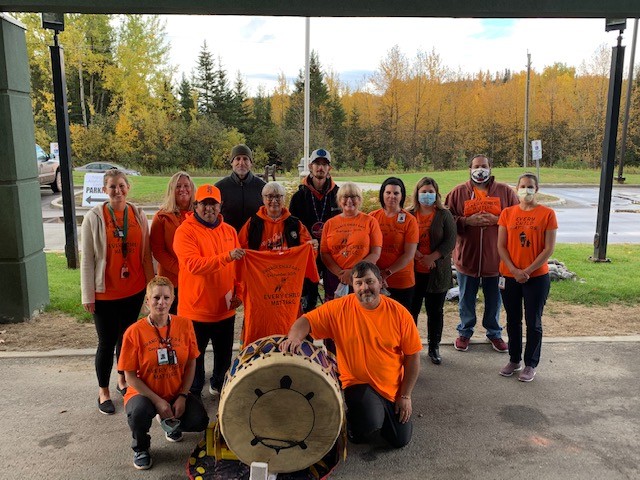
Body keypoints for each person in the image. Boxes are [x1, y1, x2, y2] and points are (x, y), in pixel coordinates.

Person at [280, 261, 422, 448]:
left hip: (392, 388)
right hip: (357, 383)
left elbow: (413, 357)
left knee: (399, 440)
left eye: (370, 282)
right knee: (369, 425)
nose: (365, 288)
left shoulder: (400, 313)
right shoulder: (339, 308)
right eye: (359, 283)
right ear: (352, 286)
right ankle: (355, 423)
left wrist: (405, 396)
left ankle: (378, 415)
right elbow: (304, 321)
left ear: (380, 282)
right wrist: (294, 338)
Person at [81, 169, 154, 415]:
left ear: (128, 188)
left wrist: (150, 287)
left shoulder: (138, 214)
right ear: (104, 190)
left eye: (121, 185)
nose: (117, 191)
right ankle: (103, 391)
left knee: (126, 340)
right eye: (112, 186)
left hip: (133, 290)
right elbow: (87, 260)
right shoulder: (94, 217)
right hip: (104, 294)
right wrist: (87, 294)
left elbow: (145, 255)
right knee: (106, 341)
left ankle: (122, 379)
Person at [118, 276, 209, 470]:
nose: (161, 302)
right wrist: (158, 401)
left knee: (199, 420)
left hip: (175, 390)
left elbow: (192, 362)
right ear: (147, 300)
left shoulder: (184, 325)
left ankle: (171, 422)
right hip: (144, 393)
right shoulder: (134, 332)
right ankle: (141, 448)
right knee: (139, 414)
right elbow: (130, 377)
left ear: (173, 298)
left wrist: (183, 395)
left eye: (166, 297)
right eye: (156, 297)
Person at [173, 184, 245, 398]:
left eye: (213, 204)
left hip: (224, 308)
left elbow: (239, 267)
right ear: (195, 205)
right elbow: (194, 265)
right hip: (196, 311)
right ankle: (193, 395)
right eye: (204, 204)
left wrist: (239, 292)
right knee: (195, 358)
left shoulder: (230, 231)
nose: (209, 209)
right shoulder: (185, 231)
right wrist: (227, 256)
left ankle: (218, 385)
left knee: (223, 357)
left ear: (220, 205)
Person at [445, 154, 519, 353]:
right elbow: (446, 219)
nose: (480, 170)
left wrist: (497, 220)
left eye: (484, 166)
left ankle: (494, 333)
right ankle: (465, 331)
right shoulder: (458, 193)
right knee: (466, 299)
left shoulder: (505, 192)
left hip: (496, 260)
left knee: (495, 300)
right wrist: (466, 221)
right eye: (476, 166)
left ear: (490, 168)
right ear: (470, 169)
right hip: (466, 258)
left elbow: (517, 218)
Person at [497, 173, 557, 382]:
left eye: (530, 187)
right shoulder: (507, 213)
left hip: (536, 277)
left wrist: (528, 271)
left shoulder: (547, 214)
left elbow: (548, 249)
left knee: (533, 322)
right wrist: (514, 270)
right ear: (516, 188)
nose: (526, 190)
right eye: (522, 186)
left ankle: (530, 363)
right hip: (509, 275)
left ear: (537, 189)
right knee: (513, 320)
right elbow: (501, 246)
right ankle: (514, 360)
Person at [408, 177, 457, 365]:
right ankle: (410, 347)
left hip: (437, 272)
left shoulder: (444, 215)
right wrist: (419, 256)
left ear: (436, 193)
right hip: (413, 272)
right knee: (411, 312)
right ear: (417, 193)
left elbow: (450, 241)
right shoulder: (409, 214)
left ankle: (434, 347)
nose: (427, 195)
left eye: (430, 191)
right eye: (423, 191)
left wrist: (432, 257)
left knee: (435, 312)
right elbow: (403, 238)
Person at [289, 148, 340, 312]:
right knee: (307, 302)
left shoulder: (338, 194)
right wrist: (304, 244)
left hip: (332, 255)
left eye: (324, 164)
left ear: (329, 168)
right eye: (317, 164)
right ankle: (306, 337)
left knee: (334, 301)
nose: (321, 168)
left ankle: (332, 337)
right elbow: (291, 229)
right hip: (308, 255)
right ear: (310, 166)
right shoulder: (299, 196)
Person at [320, 182, 382, 300]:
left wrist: (354, 272)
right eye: (345, 197)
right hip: (336, 278)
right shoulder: (330, 223)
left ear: (359, 200)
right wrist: (341, 274)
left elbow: (375, 253)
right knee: (336, 315)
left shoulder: (370, 221)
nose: (349, 200)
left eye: (353, 197)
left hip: (363, 278)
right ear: (339, 200)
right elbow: (324, 253)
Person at [369, 177, 419, 309]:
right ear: (382, 194)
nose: (392, 196)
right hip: (375, 280)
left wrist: (386, 273)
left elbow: (409, 254)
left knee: (402, 323)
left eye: (396, 193)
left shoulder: (410, 220)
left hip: (402, 282)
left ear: (402, 195)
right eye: (388, 192)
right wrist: (375, 274)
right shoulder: (372, 217)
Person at [150, 172, 195, 314]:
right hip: (171, 280)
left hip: (195, 279)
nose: (183, 189)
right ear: (171, 190)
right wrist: (180, 269)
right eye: (178, 186)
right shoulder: (162, 217)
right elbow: (157, 250)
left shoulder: (200, 214)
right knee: (172, 321)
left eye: (186, 186)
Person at [238, 182, 315, 252]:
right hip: (260, 267)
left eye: (278, 196)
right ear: (263, 199)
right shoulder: (252, 223)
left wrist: (312, 246)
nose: (274, 201)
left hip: (287, 266)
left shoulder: (295, 224)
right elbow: (240, 248)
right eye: (270, 196)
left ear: (284, 199)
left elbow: (309, 252)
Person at [215, 144, 266, 232]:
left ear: (251, 163)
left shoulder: (262, 187)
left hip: (254, 239)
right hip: (228, 239)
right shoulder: (219, 188)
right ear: (232, 162)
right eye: (237, 159)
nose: (241, 163)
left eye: (245, 159)